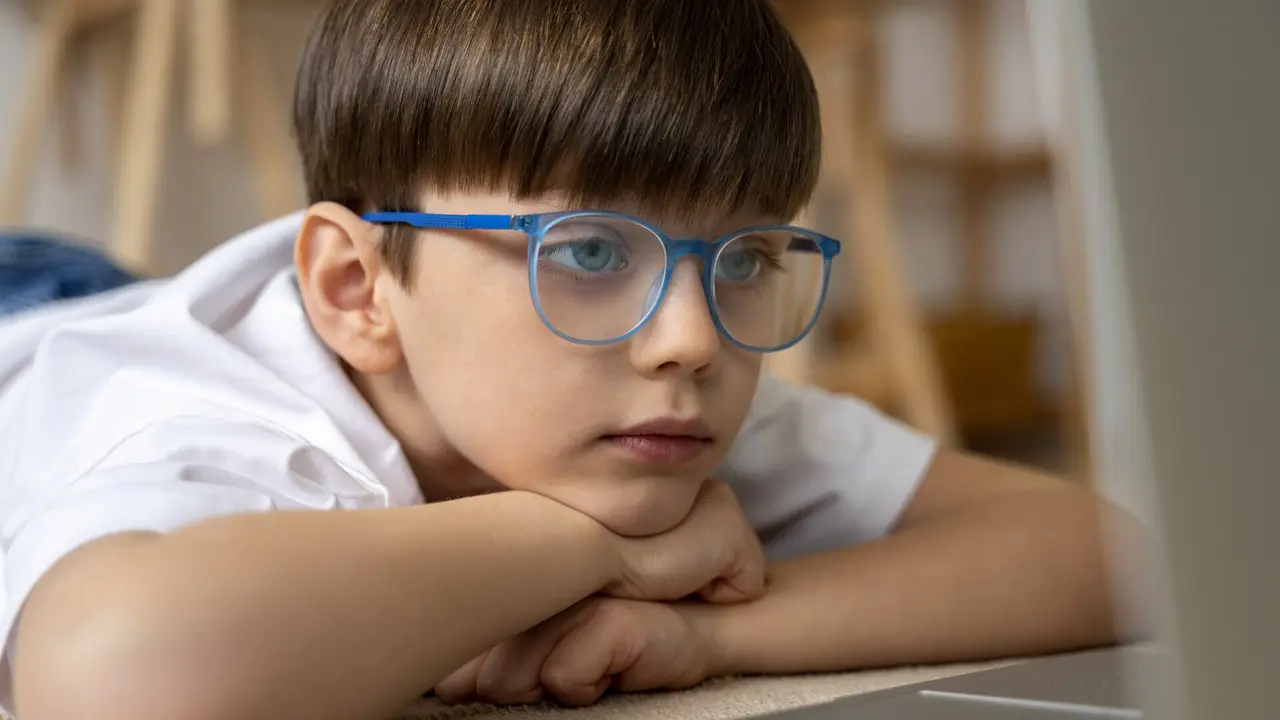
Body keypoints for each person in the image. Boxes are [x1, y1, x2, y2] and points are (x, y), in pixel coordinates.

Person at [0, 1, 1136, 718]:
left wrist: (704, 631)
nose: (691, 336)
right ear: (357, 291)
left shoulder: (655, 385)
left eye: (743, 257)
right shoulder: (228, 429)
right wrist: (601, 547)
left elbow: (1104, 552)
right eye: (589, 248)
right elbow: (108, 677)